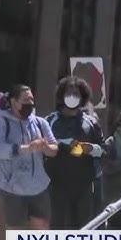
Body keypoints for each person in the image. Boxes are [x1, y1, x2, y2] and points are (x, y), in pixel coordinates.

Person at [0, 85, 58, 240]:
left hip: (39, 185)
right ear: (13, 102)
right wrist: (25, 149)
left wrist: (46, 147)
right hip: (12, 187)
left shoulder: (40, 123)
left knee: (42, 227)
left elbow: (54, 148)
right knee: (16, 230)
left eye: (32, 100)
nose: (30, 104)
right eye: (25, 101)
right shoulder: (0, 123)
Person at [45, 76, 105, 230]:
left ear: (83, 97)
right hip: (57, 185)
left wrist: (92, 149)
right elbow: (43, 146)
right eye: (68, 93)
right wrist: (64, 143)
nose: (72, 97)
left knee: (84, 228)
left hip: (84, 186)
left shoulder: (91, 122)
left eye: (76, 94)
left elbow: (104, 150)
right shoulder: (50, 121)